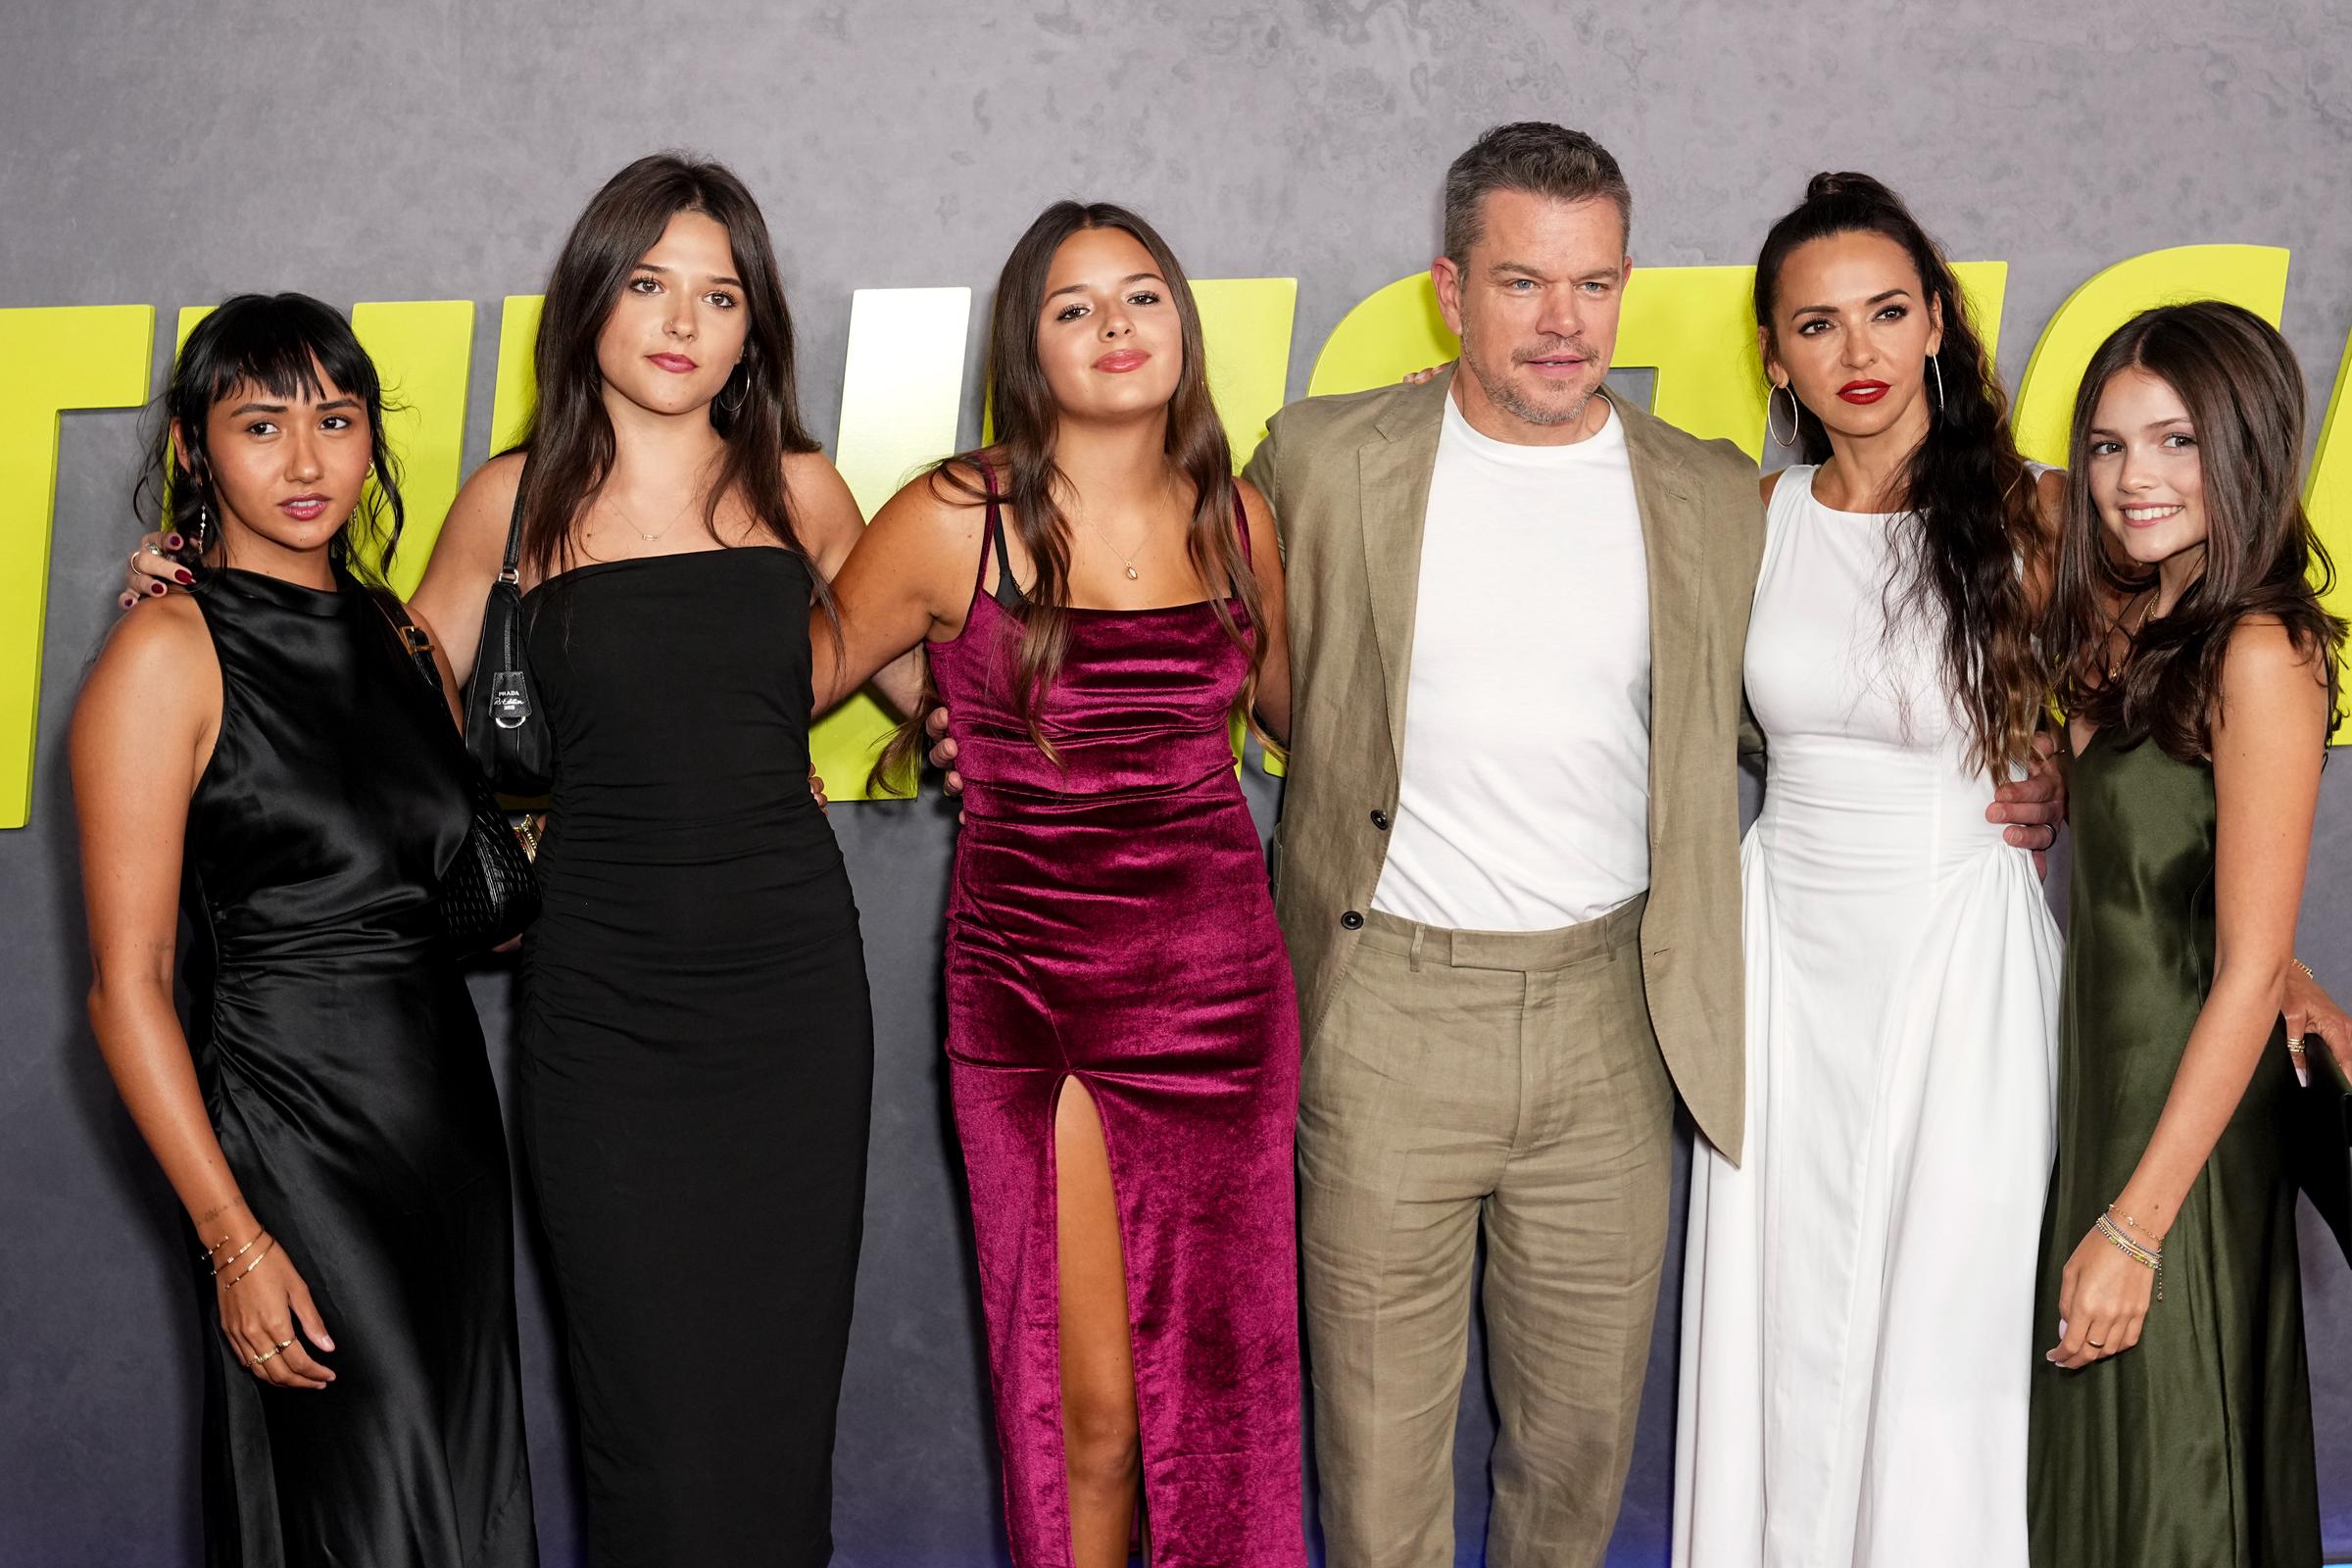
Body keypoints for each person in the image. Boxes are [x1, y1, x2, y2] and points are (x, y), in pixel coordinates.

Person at [1241, 124, 2071, 1568]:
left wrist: (2033, 764)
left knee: (1575, 1472)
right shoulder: (1318, 458)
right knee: (1377, 1479)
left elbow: (1796, 710)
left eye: (1595, 283)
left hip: (1614, 1019)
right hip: (1384, 1013)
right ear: (1452, 289)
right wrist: (979, 711)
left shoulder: (1704, 496)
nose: (1564, 324)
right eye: (1521, 283)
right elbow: (1177, 626)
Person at [126, 153, 917, 1566]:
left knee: (778, 1409)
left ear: (755, 327)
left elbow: (960, 696)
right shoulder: (511, 504)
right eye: (650, 283)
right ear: (592, 301)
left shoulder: (806, 488)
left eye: (719, 294)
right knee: (649, 1417)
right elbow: (378, 711)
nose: (681, 321)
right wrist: (198, 591)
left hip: (792, 1000)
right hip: (603, 1009)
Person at [811, 201, 1303, 1567]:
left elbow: (1299, 719)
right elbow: (789, 681)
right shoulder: (951, 515)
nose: (1116, 329)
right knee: (1092, 1412)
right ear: (1028, 349)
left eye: (1141, 297)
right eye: (1074, 307)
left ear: (1182, 326)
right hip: (1042, 998)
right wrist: (938, 698)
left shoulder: (1236, 516)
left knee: (1226, 1399)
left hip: (1226, 997)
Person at [73, 293, 535, 1566]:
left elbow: (474, 905)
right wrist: (234, 1239)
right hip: (290, 1155)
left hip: (444, 1147)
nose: (306, 459)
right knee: (356, 1518)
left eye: (336, 420)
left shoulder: (400, 641)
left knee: (456, 1505)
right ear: (191, 449)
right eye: (261, 423)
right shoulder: (166, 651)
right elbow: (129, 989)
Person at [1672, 172, 2066, 1568]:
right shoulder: (1750, 520)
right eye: (1820, 326)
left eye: (1889, 312)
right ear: (1776, 357)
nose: (1861, 354)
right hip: (1784, 952)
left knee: (1940, 1331)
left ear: (1941, 322)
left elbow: (2184, 730)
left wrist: (2060, 771)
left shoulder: (2039, 518)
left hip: (1959, 953)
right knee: (1778, 1322)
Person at [2029, 301, 2343, 1568]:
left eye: (2174, 442)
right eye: (2106, 446)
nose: (2131, 479)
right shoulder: (2131, 626)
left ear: (2249, 442)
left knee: (2173, 1490)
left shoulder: (2262, 650)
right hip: (2106, 1101)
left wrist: (2133, 1228)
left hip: (2186, 1142)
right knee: (2101, 1485)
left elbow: (2249, 963)